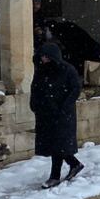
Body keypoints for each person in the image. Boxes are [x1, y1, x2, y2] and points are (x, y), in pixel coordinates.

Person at [31, 42, 84, 188]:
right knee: (55, 144)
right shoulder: (41, 71)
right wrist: (34, 104)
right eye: (42, 57)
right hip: (46, 113)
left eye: (47, 57)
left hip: (62, 114)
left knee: (59, 145)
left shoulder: (67, 70)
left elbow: (75, 89)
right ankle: (74, 164)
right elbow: (35, 88)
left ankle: (55, 176)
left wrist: (64, 106)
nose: (44, 60)